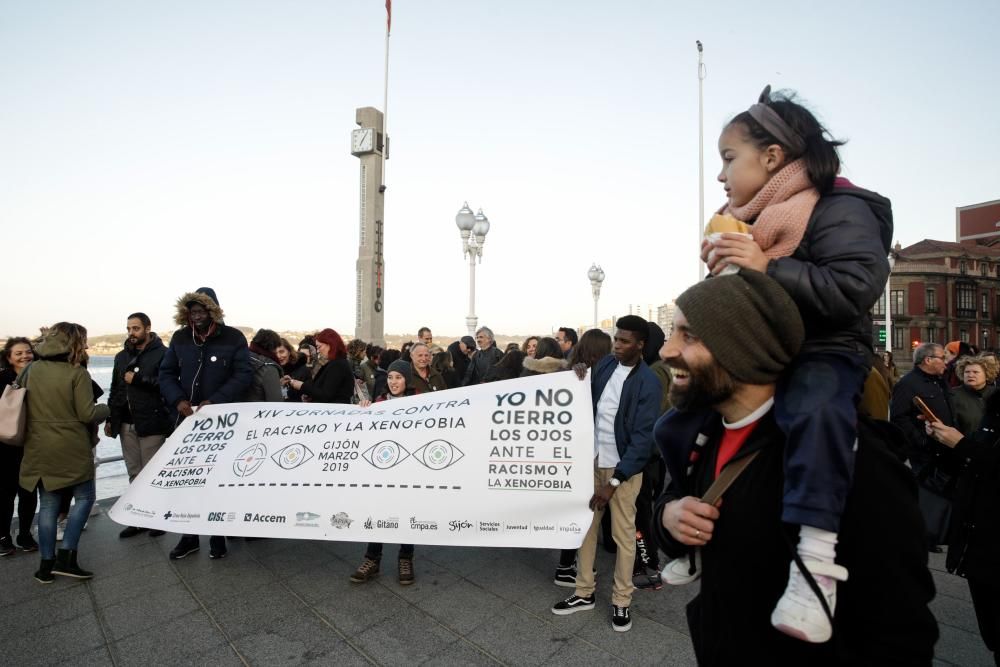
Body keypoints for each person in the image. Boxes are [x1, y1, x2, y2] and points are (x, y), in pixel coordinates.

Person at [654, 271, 937, 665]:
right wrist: (668, 516)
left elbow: (900, 629)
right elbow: (676, 503)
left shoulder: (851, 458)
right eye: (672, 332)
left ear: (744, 349)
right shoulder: (703, 434)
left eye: (689, 335)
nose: (666, 350)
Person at [699, 85, 892, 642]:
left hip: (823, 350)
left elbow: (853, 286)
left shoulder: (843, 207)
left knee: (816, 408)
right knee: (684, 412)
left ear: (774, 156)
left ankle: (816, 565)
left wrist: (765, 266)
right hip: (761, 348)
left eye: (728, 158)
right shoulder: (744, 218)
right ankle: (686, 527)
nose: (720, 176)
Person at [551, 315, 660, 633]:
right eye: (617, 337)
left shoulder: (649, 383)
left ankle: (622, 601)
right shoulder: (607, 366)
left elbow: (643, 439)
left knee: (623, 536)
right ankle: (584, 593)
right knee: (586, 529)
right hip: (591, 461)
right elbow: (585, 401)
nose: (617, 344)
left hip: (622, 470)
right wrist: (577, 374)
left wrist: (615, 481)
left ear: (640, 345)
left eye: (625, 341)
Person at [159, 287, 252, 560]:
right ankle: (189, 537)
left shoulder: (234, 337)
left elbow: (243, 374)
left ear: (212, 311)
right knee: (189, 482)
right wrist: (177, 400)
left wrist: (216, 401)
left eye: (201, 310)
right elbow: (166, 373)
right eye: (192, 311)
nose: (196, 316)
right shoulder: (179, 338)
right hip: (186, 420)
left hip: (222, 421)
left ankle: (217, 535)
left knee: (218, 480)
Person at [20, 323, 110, 583]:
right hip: (70, 447)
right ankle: (67, 557)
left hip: (38, 448)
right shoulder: (76, 373)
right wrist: (107, 409)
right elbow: (87, 413)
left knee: (47, 504)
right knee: (85, 497)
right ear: (74, 342)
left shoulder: (30, 369)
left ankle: (46, 565)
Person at [927, 400, 1000, 663]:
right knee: (992, 635)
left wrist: (962, 445)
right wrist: (944, 443)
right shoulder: (995, 411)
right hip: (978, 543)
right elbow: (973, 467)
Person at [351, 359, 418, 585]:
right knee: (378, 511)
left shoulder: (420, 402)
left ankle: (405, 558)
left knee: (406, 512)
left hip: (407, 470)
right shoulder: (379, 402)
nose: (393, 382)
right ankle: (372, 559)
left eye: (398, 377)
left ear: (407, 379)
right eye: (390, 377)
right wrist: (364, 411)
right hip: (383, 470)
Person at [106, 312, 172, 539]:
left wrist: (140, 380)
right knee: (134, 473)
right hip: (126, 422)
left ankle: (156, 517)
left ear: (147, 328)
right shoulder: (121, 356)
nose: (131, 333)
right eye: (128, 329)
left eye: (135, 328)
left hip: (152, 422)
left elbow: (168, 386)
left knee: (152, 473)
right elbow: (116, 389)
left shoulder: (163, 354)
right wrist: (110, 418)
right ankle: (138, 517)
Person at [890, 342, 956, 552]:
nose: (945, 363)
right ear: (928, 360)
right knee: (927, 495)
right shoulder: (908, 384)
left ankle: (934, 534)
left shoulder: (940, 381)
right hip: (925, 451)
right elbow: (899, 418)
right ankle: (922, 536)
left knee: (941, 493)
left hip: (945, 446)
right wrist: (921, 441)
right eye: (942, 358)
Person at [632, 322, 671, 591]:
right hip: (656, 452)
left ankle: (649, 566)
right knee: (645, 508)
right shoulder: (661, 367)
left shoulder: (654, 371)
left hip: (646, 454)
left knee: (642, 511)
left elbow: (649, 417)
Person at [1, 337, 38, 556]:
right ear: (9, 357)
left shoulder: (37, 377)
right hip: (4, 444)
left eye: (28, 352)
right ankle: (3, 536)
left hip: (31, 443)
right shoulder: (3, 378)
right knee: (5, 494)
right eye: (19, 353)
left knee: (29, 491)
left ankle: (25, 533)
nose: (25, 356)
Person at [283, 328, 354, 404]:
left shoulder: (338, 365)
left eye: (319, 347)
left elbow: (325, 395)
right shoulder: (336, 363)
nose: (318, 351)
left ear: (330, 344)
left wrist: (302, 386)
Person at [950, 355, 997, 437]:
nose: (970, 375)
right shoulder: (952, 395)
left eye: (975, 372)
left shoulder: (996, 393)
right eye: (967, 372)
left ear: (987, 374)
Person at [246, 329, 284, 402]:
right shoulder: (269, 368)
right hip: (259, 410)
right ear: (273, 347)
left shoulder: (242, 357)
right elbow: (276, 401)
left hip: (236, 408)